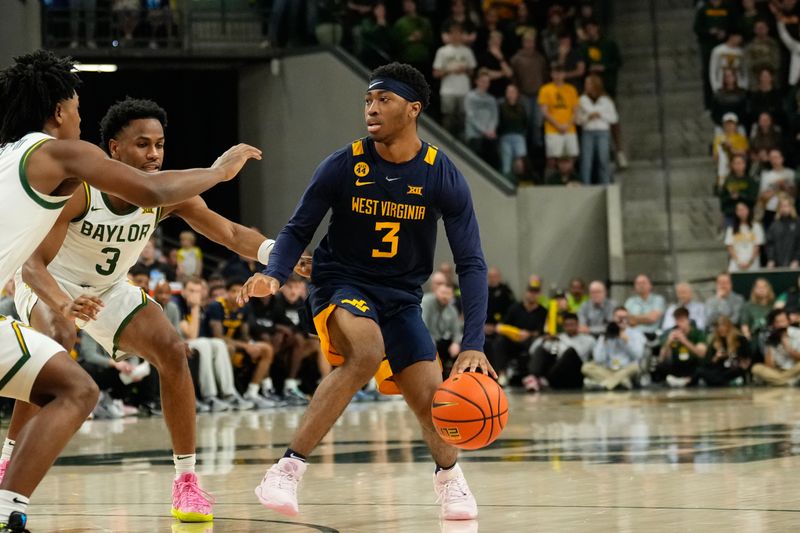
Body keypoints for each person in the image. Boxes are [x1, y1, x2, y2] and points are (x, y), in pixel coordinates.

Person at [0, 50, 259, 531]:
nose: (154, 154)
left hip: (107, 288)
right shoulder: (70, 165)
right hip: (53, 283)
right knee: (63, 360)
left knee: (170, 350)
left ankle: (186, 480)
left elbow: (229, 232)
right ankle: (9, 472)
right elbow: (151, 193)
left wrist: (278, 255)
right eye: (76, 105)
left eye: (160, 144)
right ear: (61, 111)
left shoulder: (13, 155)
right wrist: (221, 171)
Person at [238, 62, 493, 521]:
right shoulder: (343, 164)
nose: (371, 109)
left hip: (401, 297)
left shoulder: (441, 174)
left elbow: (471, 263)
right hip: (343, 283)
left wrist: (473, 342)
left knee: (432, 398)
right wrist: (275, 274)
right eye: (367, 100)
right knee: (366, 350)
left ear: (412, 109)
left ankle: (450, 479)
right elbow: (299, 228)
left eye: (384, 100)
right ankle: (287, 468)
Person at [523, 312, 594, 392]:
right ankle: (533, 378)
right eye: (567, 325)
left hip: (575, 373)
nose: (570, 328)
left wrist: (562, 339)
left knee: (570, 352)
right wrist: (543, 340)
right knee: (541, 349)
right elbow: (532, 351)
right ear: (563, 326)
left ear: (578, 324)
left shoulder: (588, 339)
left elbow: (580, 353)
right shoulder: (559, 337)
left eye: (572, 324)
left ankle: (545, 380)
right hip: (558, 374)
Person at [581, 307, 646, 390]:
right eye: (619, 317)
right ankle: (621, 382)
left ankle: (605, 384)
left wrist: (627, 341)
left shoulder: (635, 334)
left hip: (625, 369)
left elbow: (638, 356)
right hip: (607, 369)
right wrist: (605, 341)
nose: (621, 320)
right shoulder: (606, 334)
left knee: (635, 367)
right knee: (586, 367)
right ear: (613, 318)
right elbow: (598, 359)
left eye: (624, 317)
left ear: (628, 319)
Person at [576, 73, 618, 185]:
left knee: (603, 159)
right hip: (587, 132)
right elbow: (578, 120)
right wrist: (588, 116)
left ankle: (605, 183)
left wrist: (599, 115)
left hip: (602, 132)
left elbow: (613, 118)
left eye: (588, 83)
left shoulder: (606, 100)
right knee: (586, 161)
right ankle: (586, 184)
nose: (586, 85)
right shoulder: (582, 100)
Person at [653, 307, 708, 387]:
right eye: (677, 321)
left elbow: (702, 354)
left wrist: (684, 341)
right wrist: (668, 342)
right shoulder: (671, 332)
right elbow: (662, 357)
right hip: (677, 365)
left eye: (682, 320)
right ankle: (682, 381)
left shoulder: (698, 333)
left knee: (702, 369)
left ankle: (686, 380)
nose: (679, 324)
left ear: (688, 320)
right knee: (660, 366)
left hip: (692, 365)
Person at [538, 62, 580, 168]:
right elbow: (544, 112)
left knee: (571, 157)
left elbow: (575, 111)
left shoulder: (571, 89)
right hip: (552, 130)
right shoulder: (545, 89)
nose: (558, 75)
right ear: (552, 74)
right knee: (552, 158)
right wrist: (558, 125)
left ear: (564, 74)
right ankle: (551, 181)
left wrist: (567, 125)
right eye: (555, 73)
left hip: (569, 129)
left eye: (560, 73)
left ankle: (569, 181)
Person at [694, 316, 751, 386]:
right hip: (720, 369)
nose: (721, 329)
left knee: (730, 372)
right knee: (700, 371)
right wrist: (716, 357)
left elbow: (746, 357)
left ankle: (723, 382)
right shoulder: (715, 341)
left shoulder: (739, 339)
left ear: (729, 327)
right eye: (719, 327)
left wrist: (728, 355)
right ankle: (725, 382)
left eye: (724, 326)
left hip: (734, 368)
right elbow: (708, 362)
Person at [751, 309, 800, 385]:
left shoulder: (797, 334)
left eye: (783, 321)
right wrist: (770, 347)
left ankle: (779, 381)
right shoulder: (770, 337)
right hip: (778, 370)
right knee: (756, 368)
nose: (781, 325)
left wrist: (788, 349)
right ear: (773, 324)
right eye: (778, 322)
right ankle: (786, 381)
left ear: (789, 321)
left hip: (795, 369)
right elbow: (769, 366)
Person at [724, 201, 764, 272]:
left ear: (748, 210)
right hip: (736, 264)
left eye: (744, 209)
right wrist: (738, 262)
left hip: (752, 263)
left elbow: (757, 246)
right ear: (736, 212)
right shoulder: (731, 229)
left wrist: (750, 262)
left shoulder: (756, 227)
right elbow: (729, 247)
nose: (742, 212)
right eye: (739, 210)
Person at [766, 195, 800, 268]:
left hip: (795, 264)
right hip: (777, 264)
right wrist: (771, 259)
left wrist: (796, 259)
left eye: (786, 206)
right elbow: (770, 244)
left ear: (791, 207)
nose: (784, 208)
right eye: (781, 206)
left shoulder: (797, 223)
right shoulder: (775, 225)